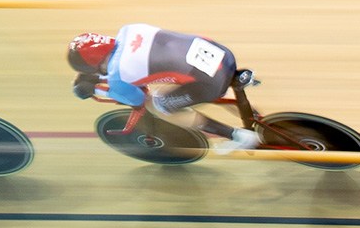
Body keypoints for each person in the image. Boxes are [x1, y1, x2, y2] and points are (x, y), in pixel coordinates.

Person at [68, 24, 261, 154]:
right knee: (180, 81)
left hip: (208, 79)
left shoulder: (119, 75)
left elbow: (137, 101)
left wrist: (94, 89)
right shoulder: (128, 29)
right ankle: (256, 119)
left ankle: (237, 136)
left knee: (159, 105)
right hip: (220, 53)